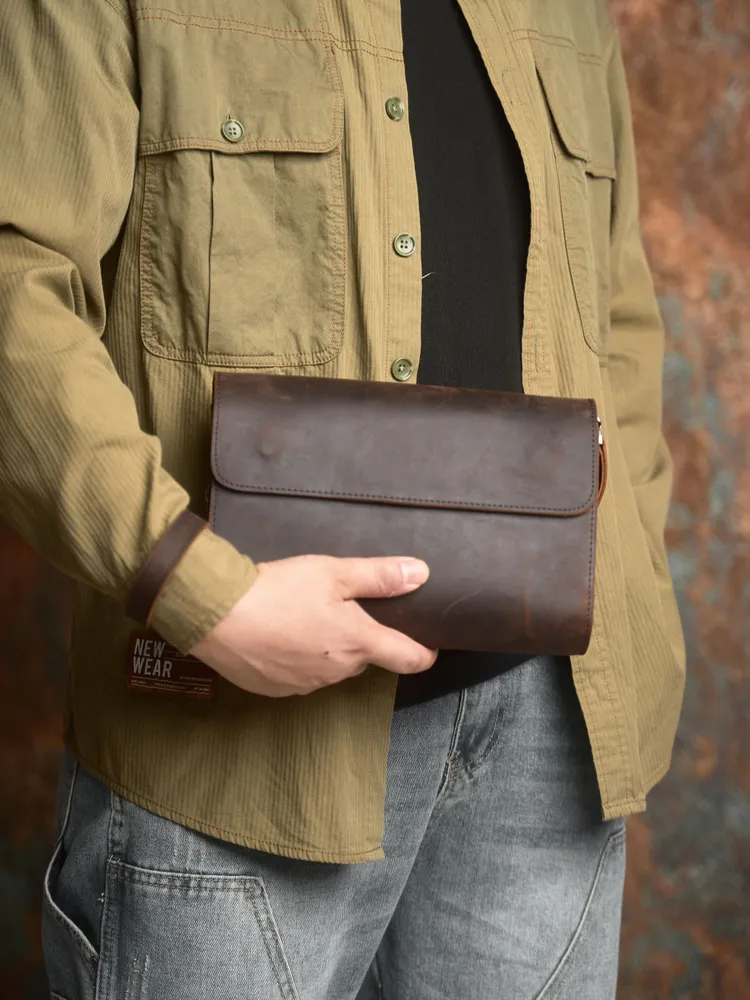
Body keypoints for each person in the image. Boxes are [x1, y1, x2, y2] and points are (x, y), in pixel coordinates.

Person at [0, 0, 685, 997]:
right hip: (235, 753)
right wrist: (197, 589)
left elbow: (618, 315)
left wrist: (632, 571)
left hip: (550, 740)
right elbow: (16, 285)